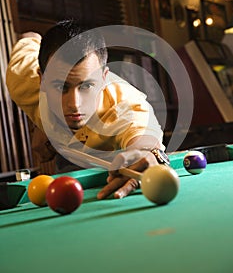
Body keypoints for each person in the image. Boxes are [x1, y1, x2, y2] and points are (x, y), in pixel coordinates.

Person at [6, 20, 168, 199]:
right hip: (67, 158)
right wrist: (40, 123)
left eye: (87, 86)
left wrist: (143, 152)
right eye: (61, 87)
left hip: (113, 166)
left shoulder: (123, 104)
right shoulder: (21, 78)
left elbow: (142, 137)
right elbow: (29, 38)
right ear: (41, 80)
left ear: (104, 78)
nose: (75, 105)